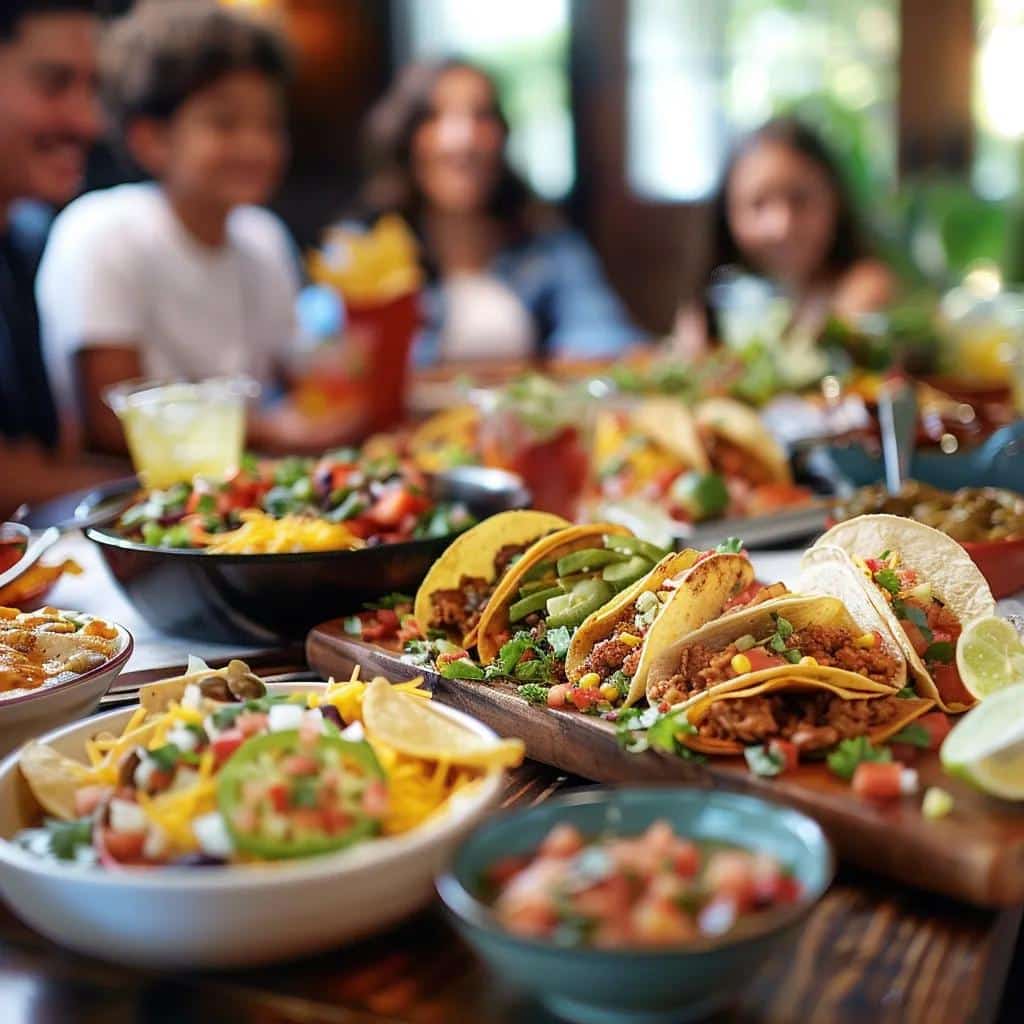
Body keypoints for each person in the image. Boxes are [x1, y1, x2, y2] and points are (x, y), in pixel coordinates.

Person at [37, 1, 340, 456]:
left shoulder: (263, 236)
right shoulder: (103, 230)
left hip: (245, 498)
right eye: (225, 122)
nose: (255, 144)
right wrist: (280, 433)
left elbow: (303, 381)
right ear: (151, 139)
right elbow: (113, 424)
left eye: (270, 123)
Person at [356, 58, 639, 365]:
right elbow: (326, 348)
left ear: (502, 135)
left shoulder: (545, 243)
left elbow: (601, 331)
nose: (463, 140)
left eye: (481, 116)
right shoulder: (362, 250)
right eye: (436, 116)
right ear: (407, 136)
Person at [0, 0, 128, 516]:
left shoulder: (31, 240)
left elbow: (49, 456)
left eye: (93, 88)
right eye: (55, 85)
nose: (90, 122)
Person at [675, 117, 895, 358]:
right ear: (727, 215)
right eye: (758, 204)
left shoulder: (864, 290)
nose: (782, 226)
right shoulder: (710, 310)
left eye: (799, 199)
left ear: (835, 200)